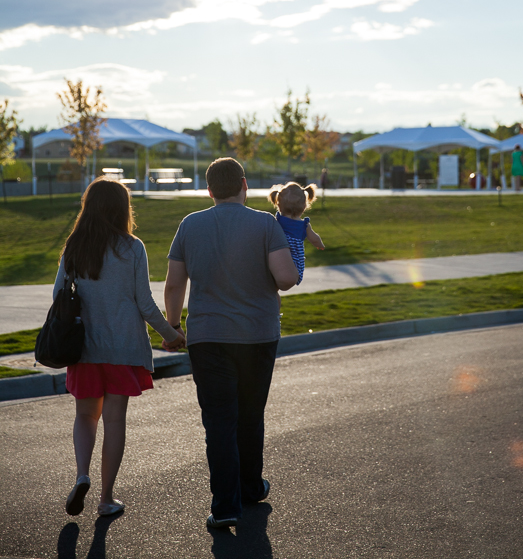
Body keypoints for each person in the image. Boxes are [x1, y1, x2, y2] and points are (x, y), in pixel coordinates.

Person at [164, 157, 299, 531]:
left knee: (219, 422)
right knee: (251, 416)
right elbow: (286, 279)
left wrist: (173, 326)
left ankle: (225, 505)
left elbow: (175, 283)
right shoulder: (264, 224)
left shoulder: (190, 225)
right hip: (257, 336)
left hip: (208, 338)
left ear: (209, 190)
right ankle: (251, 487)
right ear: (244, 185)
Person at [54, 177, 185, 518]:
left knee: (85, 415)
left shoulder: (74, 247)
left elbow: (58, 297)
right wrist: (170, 333)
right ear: (122, 209)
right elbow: (144, 302)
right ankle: (106, 498)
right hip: (123, 349)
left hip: (84, 349)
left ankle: (82, 475)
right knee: (114, 421)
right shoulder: (131, 247)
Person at [267, 181, 325, 284]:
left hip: (278, 258)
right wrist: (320, 244)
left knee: (272, 286)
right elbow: (314, 238)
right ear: (304, 207)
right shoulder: (304, 225)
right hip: (295, 265)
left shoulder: (277, 221)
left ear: (279, 205)